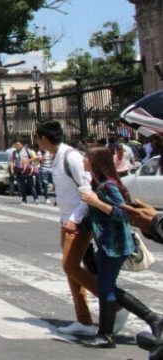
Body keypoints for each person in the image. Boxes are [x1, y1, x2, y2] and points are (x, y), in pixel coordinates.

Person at [78, 147, 163, 348]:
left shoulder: (108, 186)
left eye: (87, 157)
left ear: (96, 162)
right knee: (106, 286)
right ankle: (152, 319)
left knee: (105, 287)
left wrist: (95, 202)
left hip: (115, 244)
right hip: (108, 244)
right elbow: (97, 218)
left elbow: (123, 213)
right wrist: (79, 226)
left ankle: (106, 335)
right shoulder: (97, 183)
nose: (83, 160)